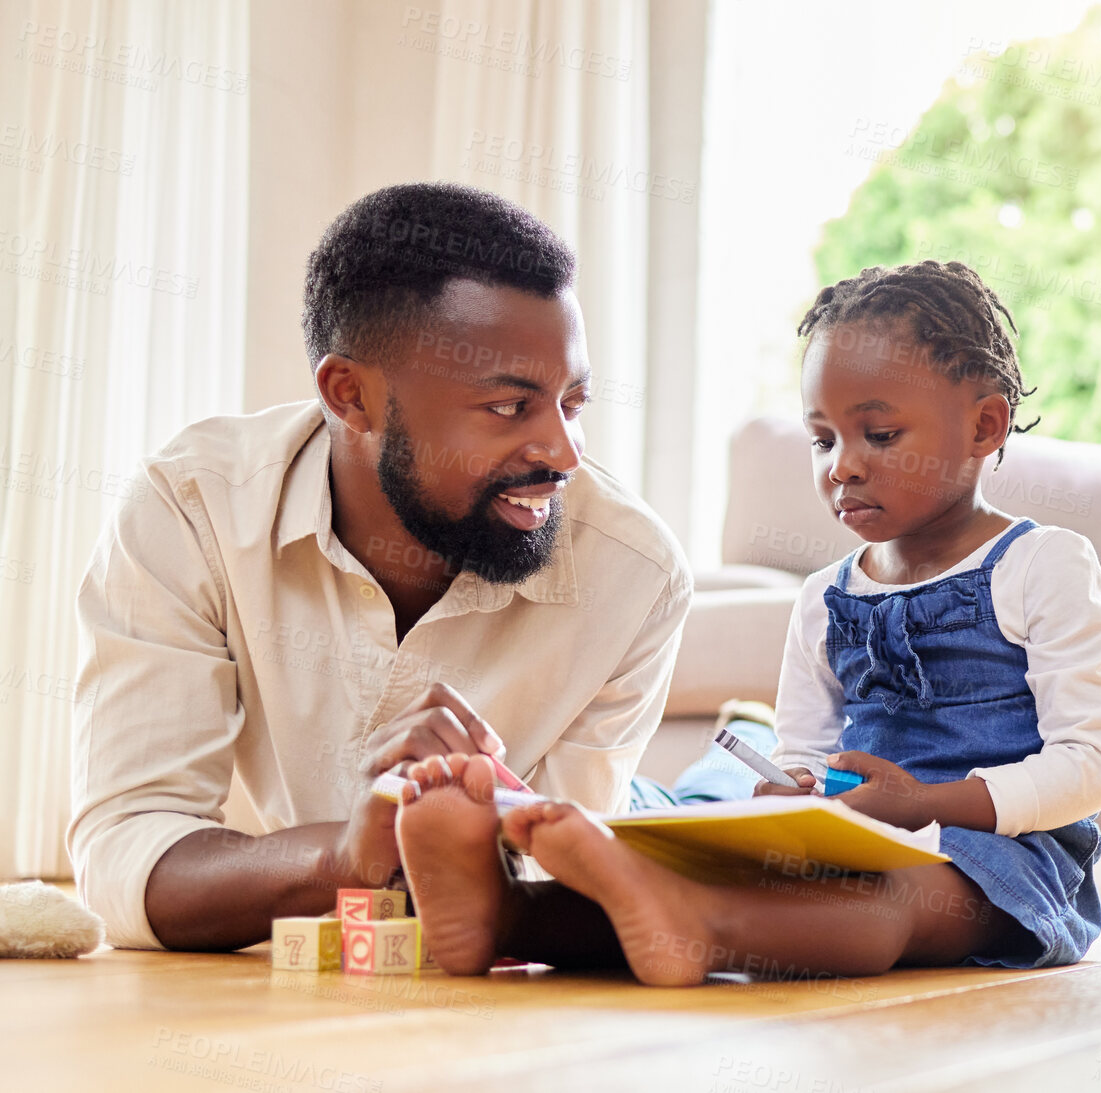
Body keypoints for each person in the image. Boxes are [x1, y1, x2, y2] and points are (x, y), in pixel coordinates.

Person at [67, 182, 766, 954]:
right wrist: (342, 859)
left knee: (715, 811)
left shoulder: (634, 572)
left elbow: (563, 874)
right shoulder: (192, 508)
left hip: (638, 805)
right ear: (350, 394)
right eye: (509, 407)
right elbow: (123, 853)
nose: (564, 453)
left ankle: (742, 742)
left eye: (573, 402)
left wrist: (482, 817)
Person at [395, 260, 1101, 981]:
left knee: (882, 905)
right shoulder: (824, 598)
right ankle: (508, 914)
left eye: (878, 435)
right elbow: (803, 752)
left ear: (983, 425)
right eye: (823, 439)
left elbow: (1090, 766)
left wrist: (925, 806)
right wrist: (793, 794)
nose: (841, 465)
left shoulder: (1042, 565)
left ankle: (692, 927)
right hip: (860, 844)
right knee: (738, 882)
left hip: (1006, 864)